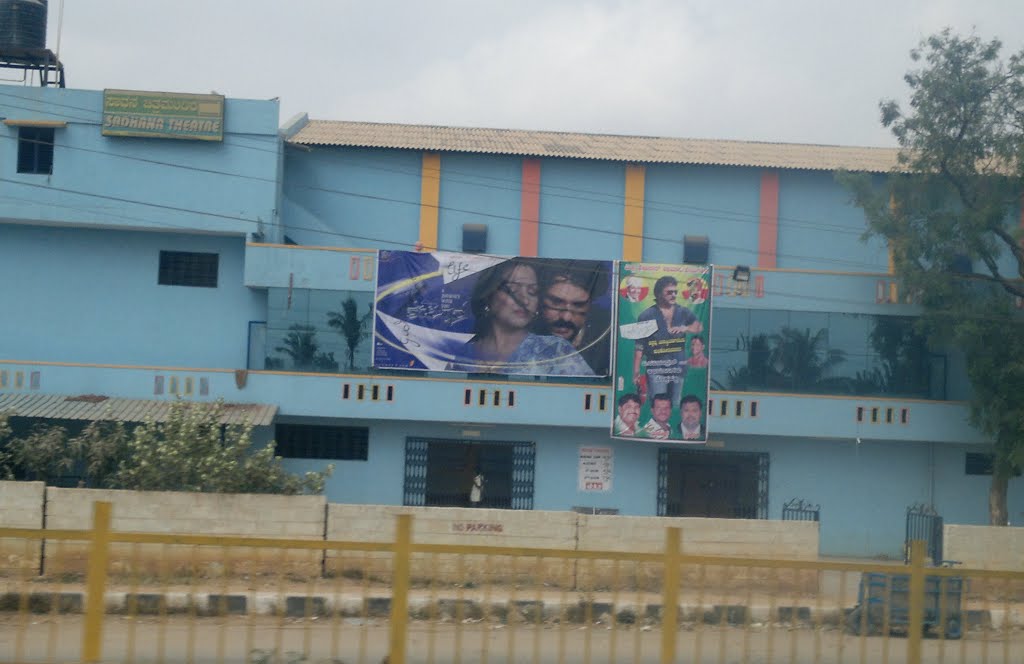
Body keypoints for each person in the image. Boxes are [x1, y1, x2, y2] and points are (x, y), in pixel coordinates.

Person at [454, 259, 594, 376]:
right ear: (488, 295)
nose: (524, 300)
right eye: (512, 290)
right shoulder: (463, 354)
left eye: (533, 291)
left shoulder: (554, 350)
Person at [632, 276, 704, 408]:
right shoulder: (647, 315)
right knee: (658, 406)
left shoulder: (683, 312)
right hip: (656, 369)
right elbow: (639, 346)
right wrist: (636, 371)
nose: (674, 295)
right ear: (658, 293)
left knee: (675, 405)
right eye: (669, 292)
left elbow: (699, 326)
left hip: (678, 368)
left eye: (675, 292)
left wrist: (686, 328)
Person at [536, 261, 611, 375]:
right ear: (539, 300)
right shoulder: (520, 335)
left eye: (578, 305)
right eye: (556, 302)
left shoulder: (606, 339)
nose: (566, 317)